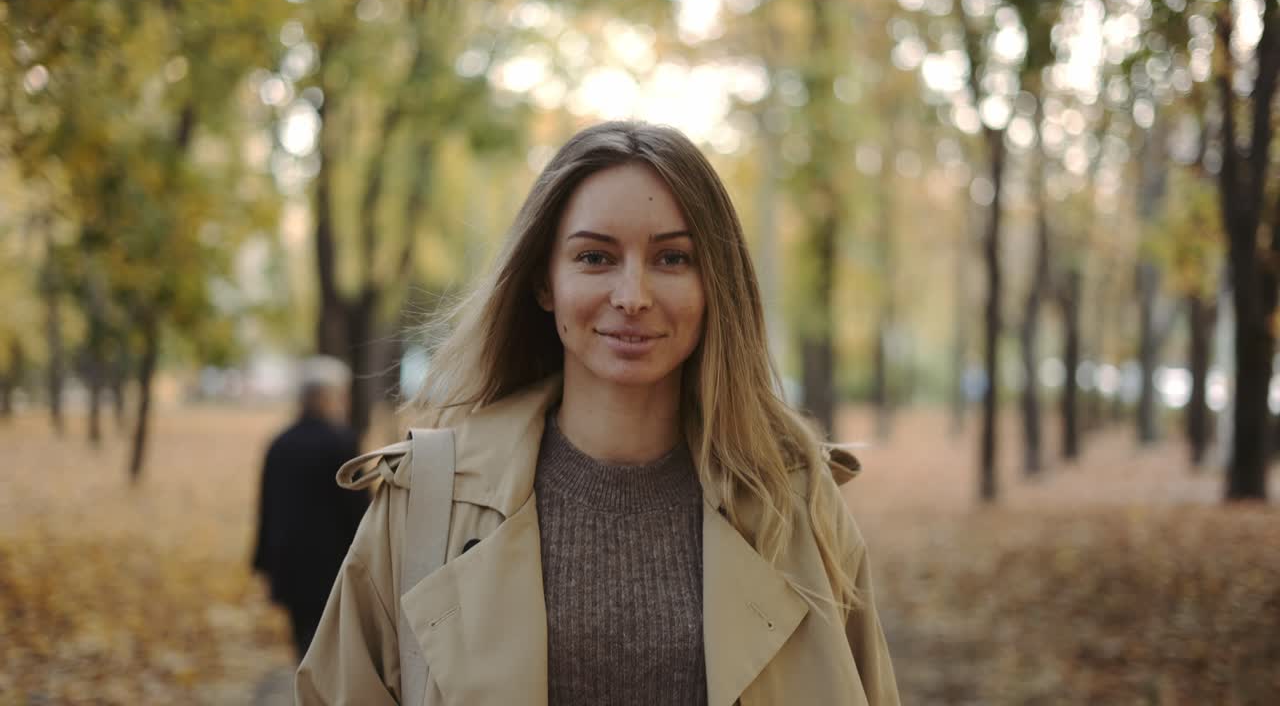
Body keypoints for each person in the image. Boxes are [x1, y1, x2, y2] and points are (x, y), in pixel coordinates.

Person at [296, 122, 899, 705]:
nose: (633, 296)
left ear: (715, 285)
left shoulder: (795, 503)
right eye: (594, 257)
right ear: (543, 283)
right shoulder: (425, 500)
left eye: (672, 259)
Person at [253, 355, 369, 659]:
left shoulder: (280, 443)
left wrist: (263, 562)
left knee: (302, 641)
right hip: (331, 565)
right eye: (339, 394)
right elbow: (358, 509)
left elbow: (266, 507)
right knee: (330, 647)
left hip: (289, 563)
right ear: (325, 397)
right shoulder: (342, 442)